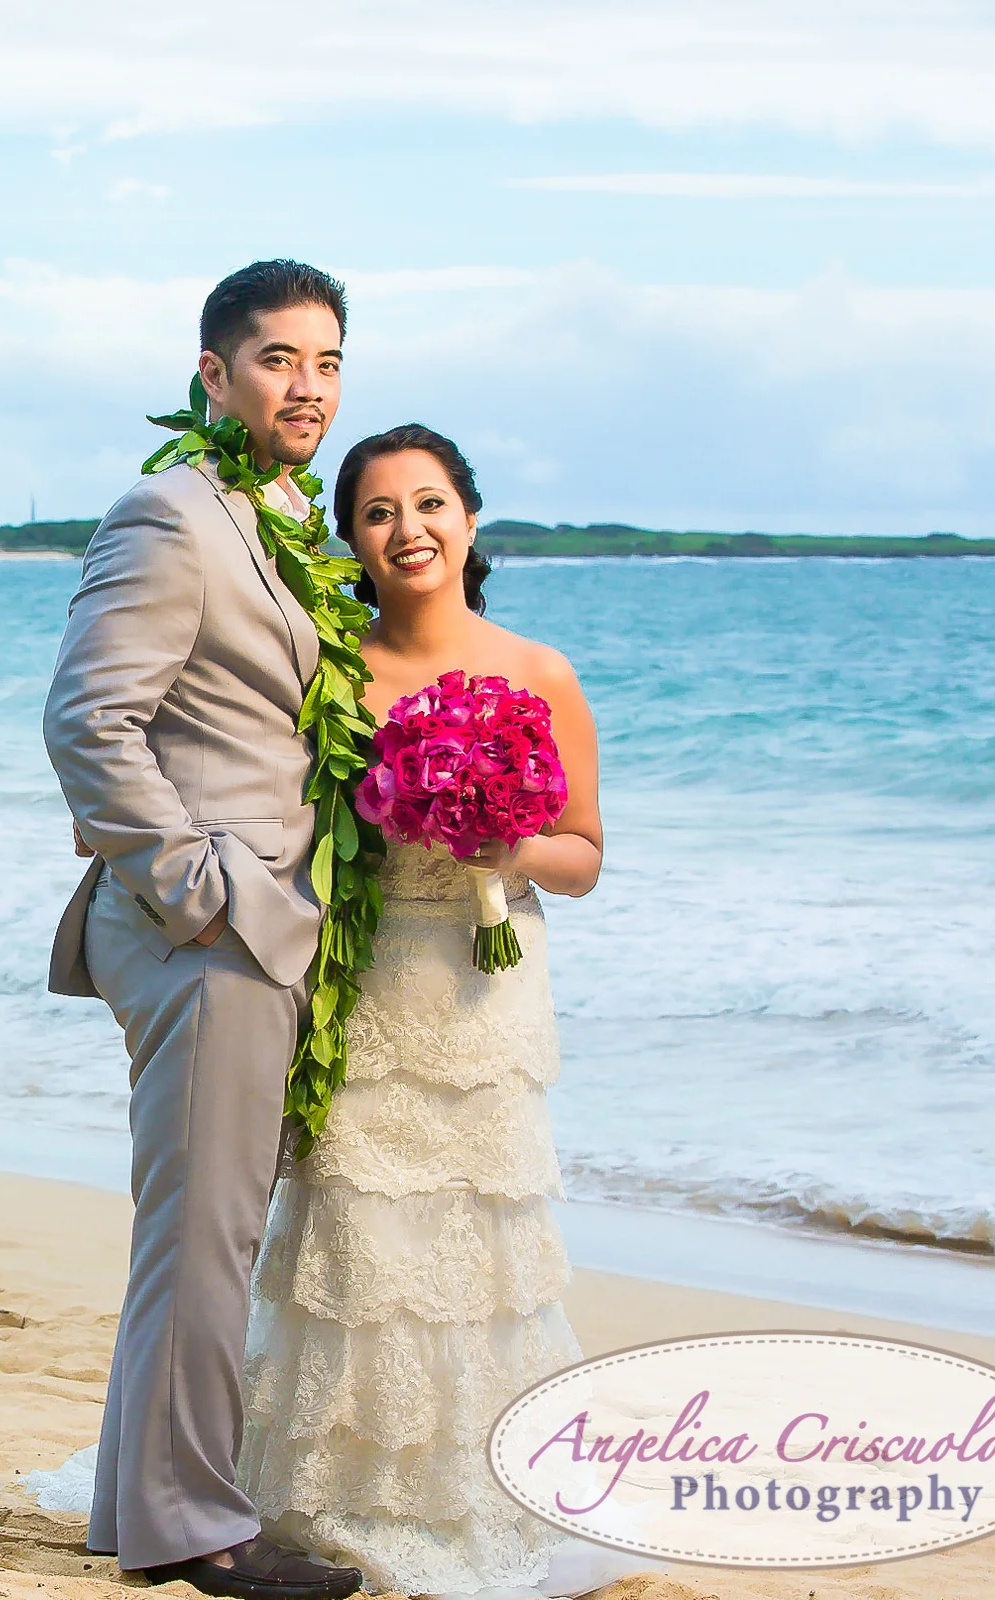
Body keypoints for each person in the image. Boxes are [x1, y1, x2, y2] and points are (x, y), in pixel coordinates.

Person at [236, 423, 649, 1600]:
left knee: (476, 1247)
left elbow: (584, 856)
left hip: (485, 993)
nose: (406, 530)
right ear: (352, 541)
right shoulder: (332, 667)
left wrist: (500, 833)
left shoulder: (539, 670)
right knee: (356, 1238)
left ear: (468, 518)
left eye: (428, 504)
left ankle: (475, 1492)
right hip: (361, 986)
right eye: (376, 512)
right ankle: (322, 1494)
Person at [42, 260, 364, 1600]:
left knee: (200, 1230)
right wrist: (202, 889)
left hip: (257, 928)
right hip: (207, 929)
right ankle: (196, 1531)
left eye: (330, 362)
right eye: (281, 359)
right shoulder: (170, 514)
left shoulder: (282, 518)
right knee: (204, 1233)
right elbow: (87, 720)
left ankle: (142, 1507)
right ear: (213, 373)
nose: (309, 386)